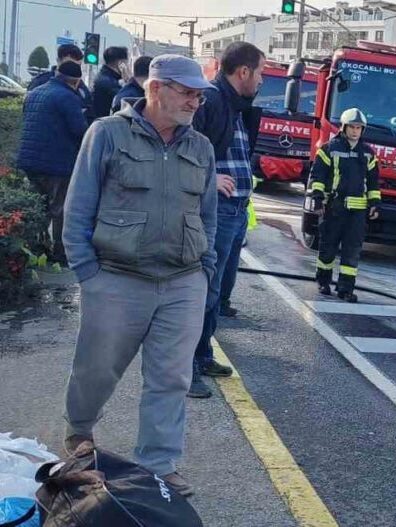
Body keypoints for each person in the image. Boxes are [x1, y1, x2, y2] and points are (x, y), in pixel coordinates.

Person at [60, 55, 217, 498]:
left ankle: (157, 465)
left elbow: (207, 216)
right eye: (186, 93)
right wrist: (88, 274)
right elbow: (77, 208)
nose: (194, 102)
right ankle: (79, 431)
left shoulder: (201, 147)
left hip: (183, 280)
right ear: (156, 88)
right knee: (97, 368)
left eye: (199, 95)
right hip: (116, 277)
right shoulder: (107, 134)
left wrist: (205, 271)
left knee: (171, 378)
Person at [188, 41, 264, 399]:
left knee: (214, 290)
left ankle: (203, 354)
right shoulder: (214, 100)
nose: (262, 81)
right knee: (202, 289)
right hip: (218, 207)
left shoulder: (233, 104)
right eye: (260, 72)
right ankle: (186, 367)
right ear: (244, 72)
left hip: (234, 209)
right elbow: (187, 148)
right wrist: (211, 179)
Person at [15, 61, 90, 263]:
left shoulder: (34, 92)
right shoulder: (68, 97)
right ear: (76, 82)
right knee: (60, 209)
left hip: (30, 161)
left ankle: (35, 249)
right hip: (57, 163)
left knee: (37, 207)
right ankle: (60, 253)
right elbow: (80, 130)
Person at [308, 108, 381, 303]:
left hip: (357, 212)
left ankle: (345, 288)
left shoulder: (368, 153)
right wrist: (317, 197)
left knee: (352, 250)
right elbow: (318, 176)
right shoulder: (329, 149)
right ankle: (323, 281)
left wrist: (375, 203)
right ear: (344, 127)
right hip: (334, 207)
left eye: (359, 128)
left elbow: (373, 182)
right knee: (328, 246)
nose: (355, 131)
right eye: (352, 127)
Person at [27, 43, 92, 122]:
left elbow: (89, 112)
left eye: (77, 66)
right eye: (69, 64)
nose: (73, 69)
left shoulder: (81, 87)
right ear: (58, 61)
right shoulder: (40, 82)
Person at [92, 46, 128, 118]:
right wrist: (127, 80)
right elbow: (125, 100)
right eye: (127, 63)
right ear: (121, 64)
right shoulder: (108, 82)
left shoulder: (105, 77)